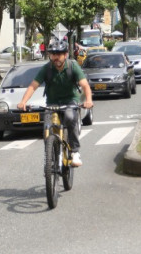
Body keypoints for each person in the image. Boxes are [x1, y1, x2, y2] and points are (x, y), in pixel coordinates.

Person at [17, 39, 94, 167]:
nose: (55, 57)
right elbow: (33, 86)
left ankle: (75, 152)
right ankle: (51, 152)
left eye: (59, 54)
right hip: (52, 102)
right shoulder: (46, 69)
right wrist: (23, 102)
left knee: (70, 117)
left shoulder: (72, 66)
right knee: (48, 126)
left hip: (70, 100)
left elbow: (85, 85)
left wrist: (88, 100)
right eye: (53, 54)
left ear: (65, 55)